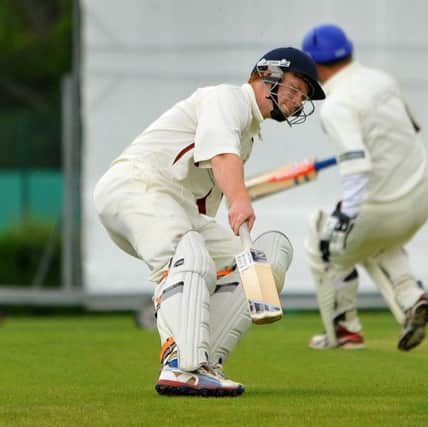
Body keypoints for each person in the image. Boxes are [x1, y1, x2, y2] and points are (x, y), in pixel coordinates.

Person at [93, 47, 325, 397]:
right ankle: (181, 366)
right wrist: (240, 199)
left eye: (303, 97)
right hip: (137, 186)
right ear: (268, 76)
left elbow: (215, 179)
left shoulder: (246, 135)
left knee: (267, 255)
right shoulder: (226, 98)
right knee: (191, 253)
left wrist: (236, 200)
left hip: (179, 208)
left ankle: (204, 361)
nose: (296, 102)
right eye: (294, 89)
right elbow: (221, 156)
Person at [301, 24, 428, 351]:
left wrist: (346, 214)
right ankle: (411, 298)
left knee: (323, 242)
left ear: (315, 66)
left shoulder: (335, 104)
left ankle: (345, 331)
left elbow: (357, 166)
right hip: (422, 196)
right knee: (378, 241)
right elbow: (413, 127)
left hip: (380, 210)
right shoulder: (382, 79)